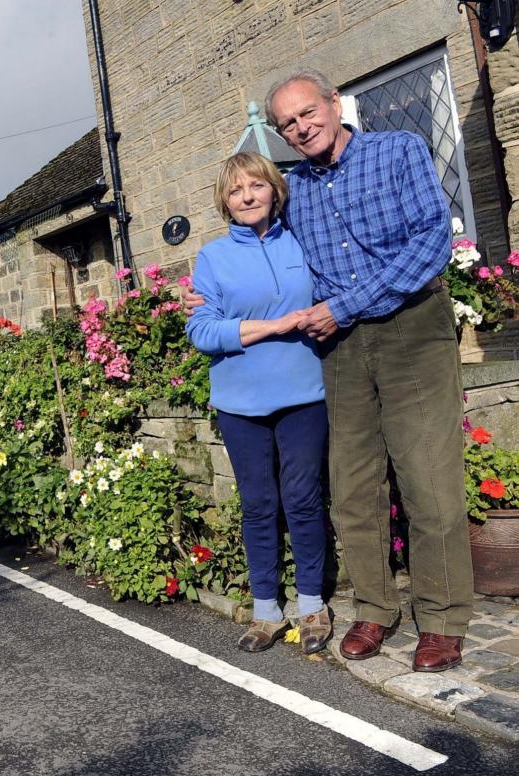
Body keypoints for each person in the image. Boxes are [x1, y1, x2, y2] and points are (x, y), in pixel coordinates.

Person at [185, 69, 472, 672]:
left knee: (426, 478)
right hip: (338, 347)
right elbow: (258, 247)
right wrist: (203, 297)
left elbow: (432, 243)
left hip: (409, 328)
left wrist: (342, 304)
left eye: (308, 113)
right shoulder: (295, 192)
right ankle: (375, 608)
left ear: (334, 104)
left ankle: (442, 620)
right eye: (287, 123)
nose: (301, 127)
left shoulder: (398, 150)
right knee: (353, 486)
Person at [185, 152, 332, 655]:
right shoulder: (212, 258)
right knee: (259, 504)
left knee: (304, 498)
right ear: (224, 202)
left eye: (256, 186)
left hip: (304, 394)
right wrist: (275, 326)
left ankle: (312, 601)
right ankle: (266, 609)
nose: (247, 197)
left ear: (275, 190)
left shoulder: (303, 243)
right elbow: (202, 331)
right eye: (235, 190)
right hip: (240, 402)